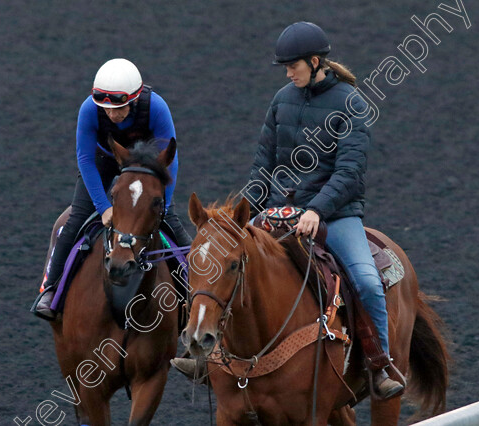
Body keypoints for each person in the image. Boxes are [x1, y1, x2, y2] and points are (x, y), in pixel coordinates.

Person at [172, 22, 403, 399]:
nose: (287, 71)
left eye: (292, 64)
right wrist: (242, 215)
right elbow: (263, 164)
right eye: (285, 66)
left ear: (315, 62)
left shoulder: (352, 103)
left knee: (366, 282)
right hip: (281, 210)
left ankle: (379, 367)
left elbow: (349, 171)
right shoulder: (282, 99)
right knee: (221, 258)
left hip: (336, 216)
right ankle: (202, 352)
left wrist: (316, 210)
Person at [33, 58, 192, 320]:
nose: (111, 114)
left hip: (146, 163)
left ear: (134, 99)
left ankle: (194, 290)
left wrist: (162, 204)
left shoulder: (156, 107)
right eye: (105, 108)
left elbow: (169, 158)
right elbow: (84, 159)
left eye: (118, 107)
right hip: (104, 158)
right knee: (74, 221)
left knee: (170, 222)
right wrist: (103, 207)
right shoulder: (89, 110)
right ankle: (50, 290)